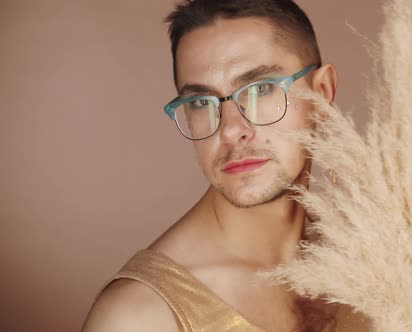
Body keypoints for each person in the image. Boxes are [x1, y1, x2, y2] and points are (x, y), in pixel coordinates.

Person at [82, 1, 366, 331]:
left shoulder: (365, 263)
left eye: (261, 89)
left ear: (322, 92)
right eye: (202, 102)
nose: (231, 130)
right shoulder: (140, 315)